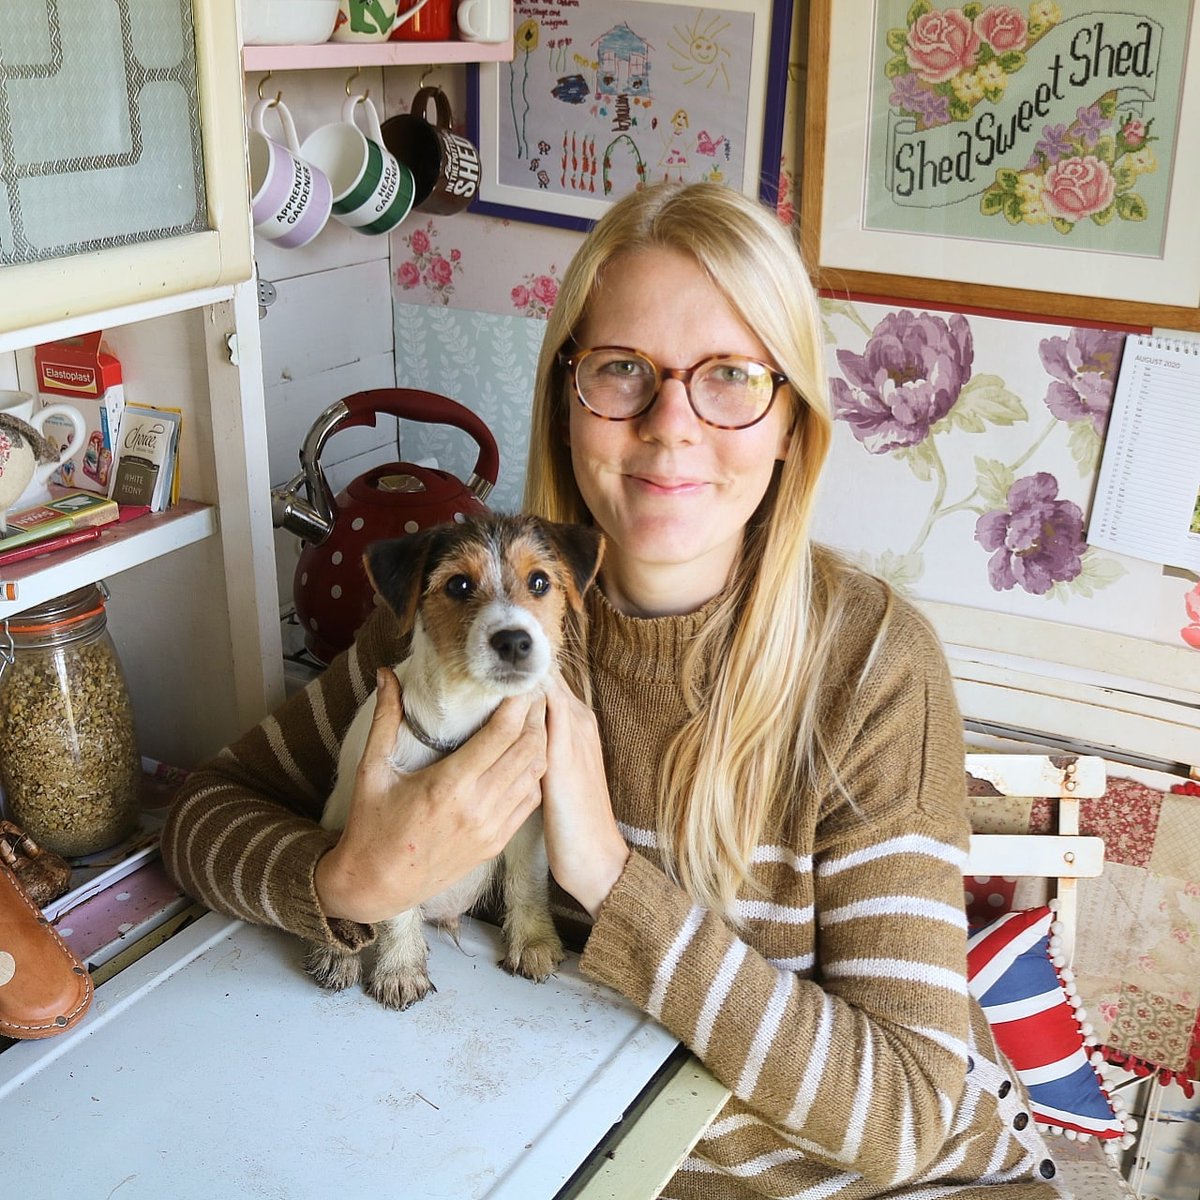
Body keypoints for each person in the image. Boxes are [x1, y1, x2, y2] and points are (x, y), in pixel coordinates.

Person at [163, 181, 1060, 1198]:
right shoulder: (464, 613)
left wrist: (607, 877)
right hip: (556, 1150)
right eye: (623, 370)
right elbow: (202, 815)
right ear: (564, 395)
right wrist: (349, 886)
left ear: (789, 423)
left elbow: (903, 1117)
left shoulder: (871, 667)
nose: (670, 424)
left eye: (730, 375)